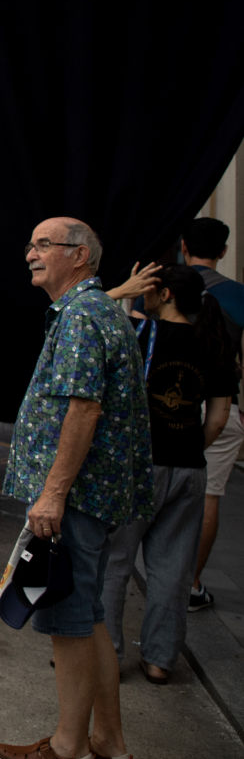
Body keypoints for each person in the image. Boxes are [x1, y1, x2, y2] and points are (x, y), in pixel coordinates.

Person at [0, 217, 150, 759]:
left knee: (68, 620)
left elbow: (84, 409)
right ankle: (108, 743)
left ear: (79, 256)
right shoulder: (95, 309)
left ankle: (68, 750)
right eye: (30, 243)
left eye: (44, 244)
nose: (30, 253)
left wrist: (53, 493)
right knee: (91, 616)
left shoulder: (83, 316)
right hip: (93, 494)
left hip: (78, 497)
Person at [100, 263, 233, 684]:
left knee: (115, 560)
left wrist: (121, 291)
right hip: (190, 467)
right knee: (173, 570)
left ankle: (107, 655)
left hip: (138, 465)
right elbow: (218, 417)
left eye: (149, 287)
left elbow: (82, 318)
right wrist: (190, 446)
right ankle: (159, 659)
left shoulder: (139, 333)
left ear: (165, 294)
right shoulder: (213, 341)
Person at [179, 217, 244, 611]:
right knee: (209, 495)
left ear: (183, 246)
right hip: (222, 401)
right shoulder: (238, 294)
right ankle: (191, 584)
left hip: (169, 400)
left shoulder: (162, 285)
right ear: (223, 251)